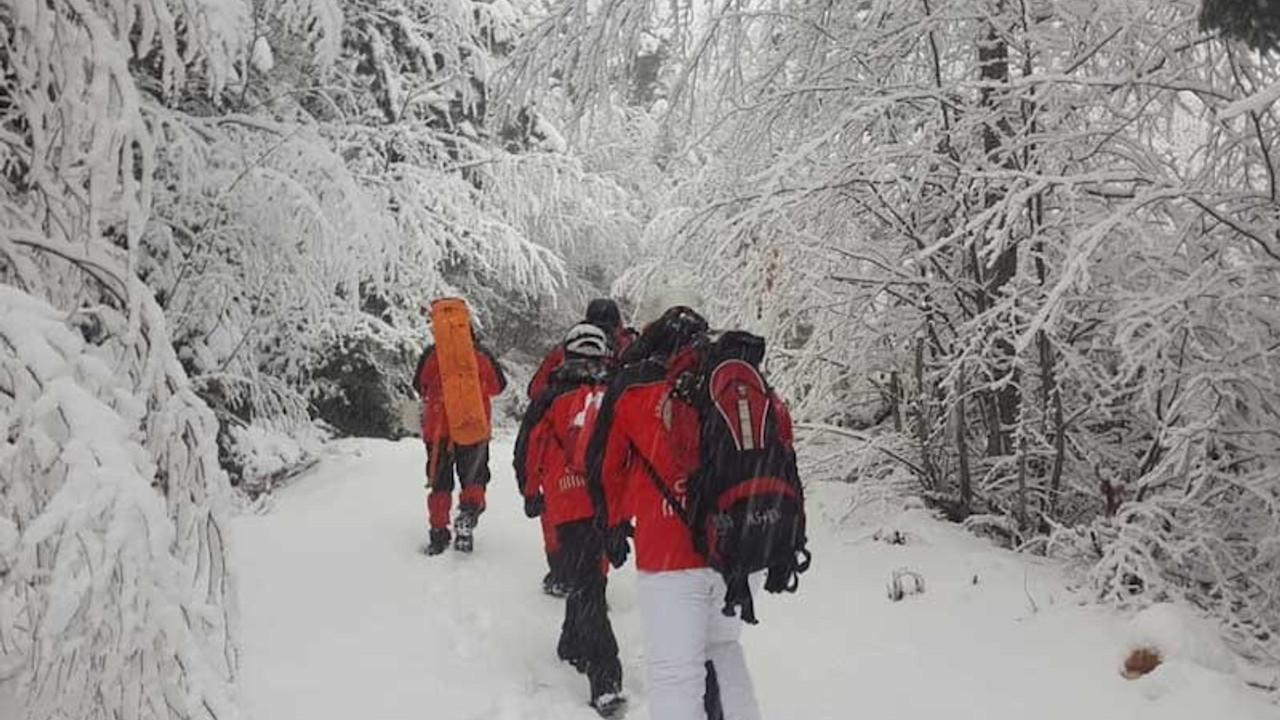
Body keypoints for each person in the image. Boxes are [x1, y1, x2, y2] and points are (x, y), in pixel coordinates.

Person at [587, 306, 779, 720]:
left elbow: (604, 466)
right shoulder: (735, 379)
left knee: (675, 673)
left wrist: (614, 523)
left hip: (669, 551)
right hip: (742, 542)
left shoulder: (634, 389)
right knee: (725, 650)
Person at [514, 323, 625, 717]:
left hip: (566, 500)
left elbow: (527, 446)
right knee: (590, 579)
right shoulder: (615, 395)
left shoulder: (549, 396)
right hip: (606, 502)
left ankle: (590, 661)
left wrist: (530, 491)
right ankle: (588, 659)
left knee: (586, 584)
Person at [527, 298, 635, 595]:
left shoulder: (565, 348)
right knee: (602, 511)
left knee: (558, 508)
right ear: (619, 323)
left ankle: (562, 572)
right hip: (607, 451)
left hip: (561, 450)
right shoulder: (627, 349)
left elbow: (535, 391)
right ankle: (594, 578)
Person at [414, 304, 507, 555]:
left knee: (440, 482)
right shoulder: (480, 355)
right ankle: (467, 516)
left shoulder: (432, 355)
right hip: (472, 426)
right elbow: (499, 386)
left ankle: (438, 532)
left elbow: (419, 385)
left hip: (438, 429)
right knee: (474, 476)